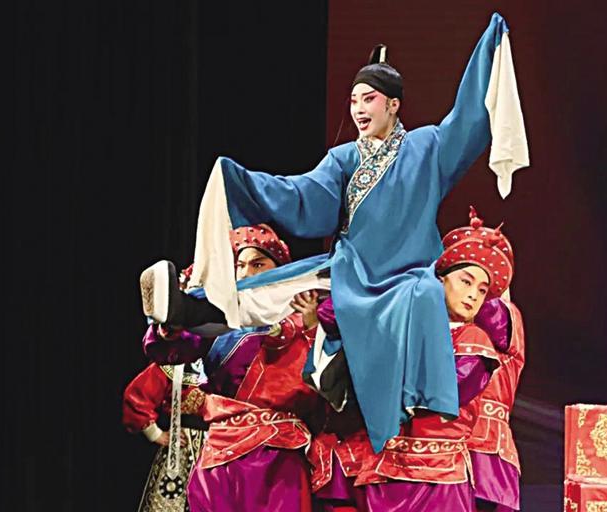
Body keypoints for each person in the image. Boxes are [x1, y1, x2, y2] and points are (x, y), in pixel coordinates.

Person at [141, 12, 529, 453]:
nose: (359, 109)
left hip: (406, 274)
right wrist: (243, 181)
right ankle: (186, 309)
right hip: (350, 266)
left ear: (393, 104)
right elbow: (305, 196)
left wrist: (488, 55)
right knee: (272, 290)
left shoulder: (427, 147)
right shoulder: (344, 159)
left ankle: (382, 391)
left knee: (420, 299)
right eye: (354, 101)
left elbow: (466, 121)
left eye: (369, 99)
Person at [144, 225, 321, 511]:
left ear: (280, 270)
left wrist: (311, 327)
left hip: (276, 452)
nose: (247, 273)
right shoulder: (221, 323)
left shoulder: (300, 318)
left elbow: (316, 386)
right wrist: (172, 325)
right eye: (240, 265)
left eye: (258, 265)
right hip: (220, 449)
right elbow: (169, 352)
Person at [350, 207, 511, 511]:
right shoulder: (405, 327)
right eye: (465, 282)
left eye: (482, 290)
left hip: (440, 475)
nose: (473, 295)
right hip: (389, 469)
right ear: (440, 281)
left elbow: (450, 391)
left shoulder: (474, 339)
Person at [466, 226, 525, 512]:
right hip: (447, 443)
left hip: (484, 447)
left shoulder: (505, 316)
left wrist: (473, 257)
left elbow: (489, 312)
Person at [122, 358, 207, 512]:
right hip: (183, 449)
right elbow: (137, 395)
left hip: (223, 445)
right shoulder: (174, 362)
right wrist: (155, 433)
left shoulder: (229, 359)